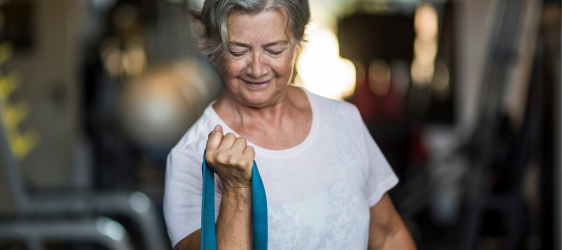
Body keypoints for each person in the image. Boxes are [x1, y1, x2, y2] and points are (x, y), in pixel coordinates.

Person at [163, 0, 417, 249]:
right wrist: (236, 190)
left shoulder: (344, 119)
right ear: (213, 43)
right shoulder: (190, 157)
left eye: (274, 50)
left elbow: (388, 236)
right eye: (238, 51)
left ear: (298, 39)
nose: (257, 69)